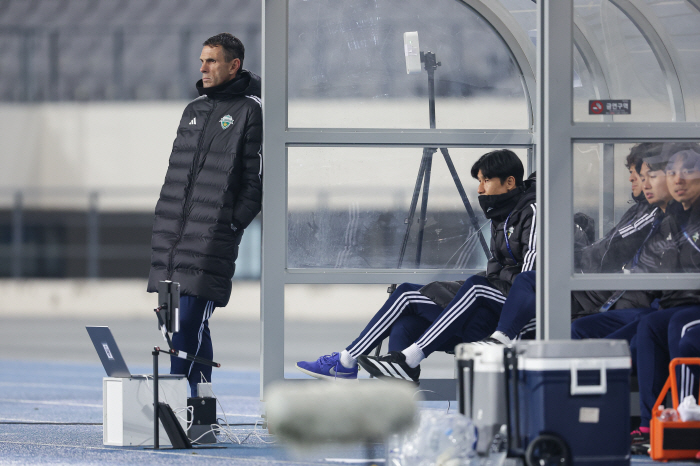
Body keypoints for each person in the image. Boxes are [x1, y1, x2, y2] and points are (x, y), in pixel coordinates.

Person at [296, 149, 536, 383]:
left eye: (486, 181)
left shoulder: (534, 213)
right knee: (406, 310)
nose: (480, 189)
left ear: (510, 182)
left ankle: (372, 361)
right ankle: (392, 401)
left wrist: (487, 285)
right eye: (479, 182)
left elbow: (531, 279)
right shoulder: (501, 216)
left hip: (516, 313)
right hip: (493, 301)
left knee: (474, 286)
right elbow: (498, 270)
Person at [147, 33, 262, 396]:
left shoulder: (251, 109)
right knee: (173, 328)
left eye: (211, 61)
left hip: (211, 237)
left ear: (234, 65)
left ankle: (183, 409)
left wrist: (230, 222)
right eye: (201, 60)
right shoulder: (193, 110)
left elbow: (257, 177)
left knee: (188, 329)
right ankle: (200, 411)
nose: (203, 67)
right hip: (172, 238)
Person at [479, 143, 660, 345]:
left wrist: (574, 260)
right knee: (486, 292)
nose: (631, 178)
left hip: (611, 294)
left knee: (505, 291)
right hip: (604, 290)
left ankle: (500, 341)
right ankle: (500, 341)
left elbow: (609, 251)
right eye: (634, 172)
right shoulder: (642, 210)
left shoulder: (652, 212)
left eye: (641, 174)